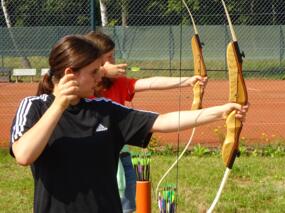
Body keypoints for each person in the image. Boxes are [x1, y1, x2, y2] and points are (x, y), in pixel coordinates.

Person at [10, 34, 248, 213]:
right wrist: (59, 105)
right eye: (94, 72)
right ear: (71, 73)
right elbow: (24, 155)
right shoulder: (34, 106)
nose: (100, 76)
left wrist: (221, 112)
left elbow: (161, 121)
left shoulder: (104, 110)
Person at [85, 31, 208, 213]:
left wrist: (187, 80)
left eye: (114, 55)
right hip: (96, 159)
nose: (114, 61)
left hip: (121, 154)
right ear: (95, 60)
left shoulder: (119, 83)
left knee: (127, 206)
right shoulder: (83, 87)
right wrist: (102, 72)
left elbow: (150, 83)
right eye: (109, 57)